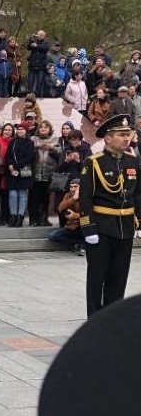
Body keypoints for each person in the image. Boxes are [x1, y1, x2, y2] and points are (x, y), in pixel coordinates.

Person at [79, 114, 141, 316]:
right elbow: (85, 199)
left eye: (127, 134)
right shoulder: (94, 162)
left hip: (125, 227)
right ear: (107, 138)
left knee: (118, 278)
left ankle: (112, 321)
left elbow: (137, 195)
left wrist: (138, 223)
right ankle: (94, 322)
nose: (126, 139)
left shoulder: (132, 161)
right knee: (97, 278)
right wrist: (89, 228)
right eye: (121, 135)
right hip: (101, 228)